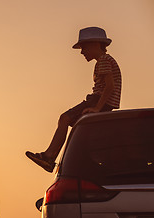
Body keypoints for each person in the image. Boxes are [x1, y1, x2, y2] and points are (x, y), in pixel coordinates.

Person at [26, 26, 122, 173]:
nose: (82, 52)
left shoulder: (103, 60)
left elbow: (110, 87)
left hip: (97, 101)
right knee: (80, 129)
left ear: (96, 44)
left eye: (84, 47)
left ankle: (49, 156)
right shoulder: (105, 60)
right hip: (99, 101)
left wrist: (97, 108)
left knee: (64, 118)